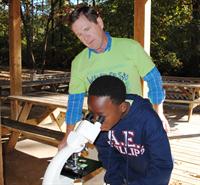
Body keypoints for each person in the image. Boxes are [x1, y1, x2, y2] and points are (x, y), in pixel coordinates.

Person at [58, 5, 169, 149]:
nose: (85, 38)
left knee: (142, 166)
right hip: (100, 127)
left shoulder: (130, 48)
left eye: (87, 29)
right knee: (107, 168)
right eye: (79, 34)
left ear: (99, 22)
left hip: (133, 121)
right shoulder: (78, 62)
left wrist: (158, 113)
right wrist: (68, 135)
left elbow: (154, 79)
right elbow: (75, 101)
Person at [88, 75, 173, 185]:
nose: (96, 121)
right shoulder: (104, 122)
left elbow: (162, 164)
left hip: (152, 177)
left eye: (101, 116)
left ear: (122, 107)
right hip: (127, 176)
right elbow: (107, 156)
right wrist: (115, 181)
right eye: (91, 113)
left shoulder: (148, 119)